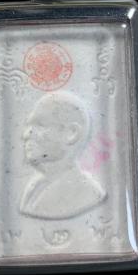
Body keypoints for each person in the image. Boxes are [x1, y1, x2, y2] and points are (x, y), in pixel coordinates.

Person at [20, 91, 106, 220]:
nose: (26, 135)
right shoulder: (34, 187)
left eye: (40, 125)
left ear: (71, 133)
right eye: (29, 126)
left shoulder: (87, 192)